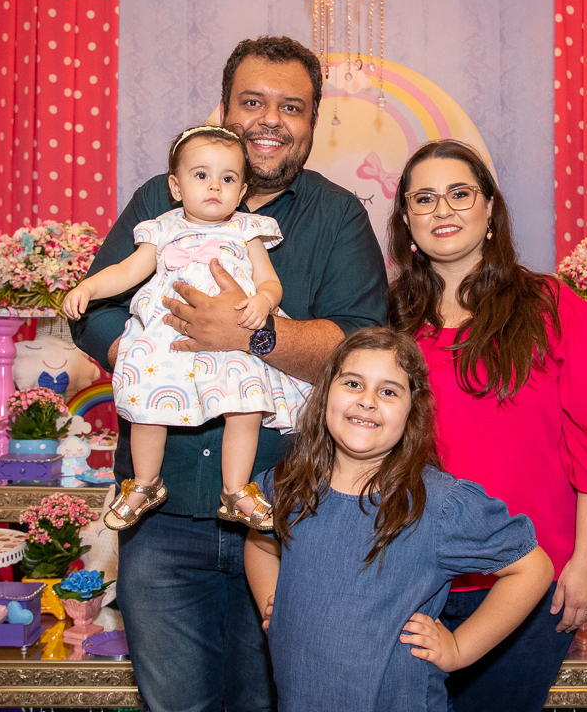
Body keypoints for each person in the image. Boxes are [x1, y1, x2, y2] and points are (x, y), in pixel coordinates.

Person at [69, 36, 387, 712]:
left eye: (291, 107)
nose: (271, 120)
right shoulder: (159, 201)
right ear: (223, 110)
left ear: (313, 121)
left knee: (273, 702)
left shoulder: (337, 217)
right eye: (252, 102)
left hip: (288, 517)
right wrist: (143, 356)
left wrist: (250, 337)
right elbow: (95, 306)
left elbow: (360, 351)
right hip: (162, 518)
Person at [386, 139, 587, 710]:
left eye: (459, 193)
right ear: (405, 219)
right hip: (410, 581)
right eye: (424, 198)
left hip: (526, 581)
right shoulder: (387, 316)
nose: (442, 209)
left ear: (490, 207)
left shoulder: (554, 308)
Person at [245, 328, 554, 712]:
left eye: (389, 391)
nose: (367, 401)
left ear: (412, 411)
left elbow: (532, 568)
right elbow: (260, 542)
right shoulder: (285, 485)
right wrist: (273, 602)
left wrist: (459, 648)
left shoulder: (440, 504)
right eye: (353, 383)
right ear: (324, 395)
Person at [63, 125, 309, 531]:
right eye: (201, 175)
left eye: (227, 179)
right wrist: (87, 287)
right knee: (147, 403)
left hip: (233, 337)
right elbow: (126, 271)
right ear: (176, 187)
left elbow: (269, 281)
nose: (214, 186)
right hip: (167, 337)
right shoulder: (161, 229)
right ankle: (145, 483)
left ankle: (236, 490)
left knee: (246, 405)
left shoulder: (247, 230)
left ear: (242, 191)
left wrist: (264, 301)